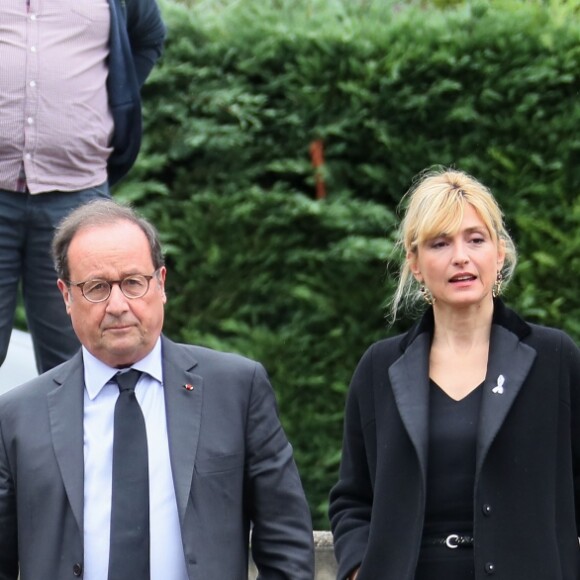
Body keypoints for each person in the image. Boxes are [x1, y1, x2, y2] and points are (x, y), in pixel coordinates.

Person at [0, 199, 315, 579]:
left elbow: (286, 545)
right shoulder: (17, 417)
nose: (117, 305)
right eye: (97, 287)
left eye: (133, 282)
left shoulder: (235, 390)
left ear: (161, 284)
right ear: (66, 296)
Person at [328, 168, 580, 580]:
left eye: (475, 240)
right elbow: (352, 499)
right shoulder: (379, 367)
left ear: (499, 253)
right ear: (415, 263)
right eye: (440, 243)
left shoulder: (553, 358)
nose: (460, 257)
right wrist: (359, 567)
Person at [0, 0, 166, 373]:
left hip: (76, 198)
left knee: (78, 363)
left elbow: (149, 35)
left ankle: (75, 436)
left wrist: (117, 95)